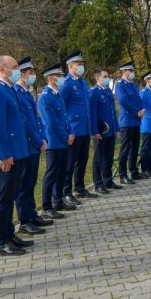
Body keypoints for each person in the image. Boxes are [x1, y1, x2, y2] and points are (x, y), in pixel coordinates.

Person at [0, 55, 30, 257]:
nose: (18, 70)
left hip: (15, 152)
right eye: (14, 66)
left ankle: (10, 234)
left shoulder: (8, 89)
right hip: (5, 156)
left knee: (11, 196)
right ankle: (2, 241)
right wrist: (3, 155)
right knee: (4, 198)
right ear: (2, 69)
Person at [12, 57, 54, 231]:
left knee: (31, 183)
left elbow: (37, 119)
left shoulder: (27, 92)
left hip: (35, 144)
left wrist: (44, 138)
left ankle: (32, 214)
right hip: (27, 144)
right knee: (23, 185)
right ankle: (24, 220)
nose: (33, 75)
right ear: (22, 74)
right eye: (30, 73)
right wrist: (38, 140)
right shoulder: (17, 92)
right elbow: (25, 122)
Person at [38, 62, 74, 216]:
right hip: (54, 142)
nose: (61, 78)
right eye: (58, 76)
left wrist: (71, 132)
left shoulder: (57, 94)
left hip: (64, 140)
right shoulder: (45, 97)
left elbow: (65, 117)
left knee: (62, 172)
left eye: (61, 75)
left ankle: (58, 200)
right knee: (51, 174)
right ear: (50, 78)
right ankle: (47, 207)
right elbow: (51, 123)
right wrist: (65, 136)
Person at [58, 51, 94, 204]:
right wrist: (67, 128)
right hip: (73, 129)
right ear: (70, 66)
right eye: (79, 64)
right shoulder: (66, 84)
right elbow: (61, 107)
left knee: (82, 160)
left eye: (82, 64)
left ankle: (80, 188)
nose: (81, 67)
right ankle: (66, 192)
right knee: (70, 163)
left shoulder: (83, 82)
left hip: (84, 129)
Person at [90, 69, 120, 192]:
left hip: (111, 130)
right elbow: (92, 114)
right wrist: (95, 131)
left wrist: (116, 129)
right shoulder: (93, 92)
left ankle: (108, 181)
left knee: (108, 157)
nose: (108, 78)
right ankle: (98, 184)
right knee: (98, 158)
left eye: (108, 76)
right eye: (105, 76)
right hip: (101, 131)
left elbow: (113, 113)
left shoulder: (108, 91)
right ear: (98, 78)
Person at [115, 61, 144, 181]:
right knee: (125, 149)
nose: (132, 73)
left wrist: (142, 110)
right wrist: (136, 112)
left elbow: (139, 99)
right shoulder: (120, 85)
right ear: (124, 72)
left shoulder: (133, 84)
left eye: (132, 71)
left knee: (135, 148)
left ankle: (134, 171)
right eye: (130, 71)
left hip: (136, 120)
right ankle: (123, 175)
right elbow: (123, 101)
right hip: (127, 122)